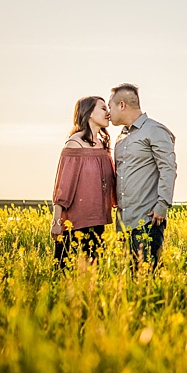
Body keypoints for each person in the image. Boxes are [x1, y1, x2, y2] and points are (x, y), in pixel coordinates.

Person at [108, 83, 177, 271]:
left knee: (148, 277)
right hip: (123, 222)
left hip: (147, 219)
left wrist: (163, 204)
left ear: (122, 105)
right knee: (128, 281)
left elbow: (168, 168)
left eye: (110, 106)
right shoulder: (121, 137)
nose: (108, 112)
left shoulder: (154, 130)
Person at [50, 96, 117, 270]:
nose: (108, 113)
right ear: (89, 113)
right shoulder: (74, 144)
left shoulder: (102, 144)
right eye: (103, 108)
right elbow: (63, 187)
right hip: (74, 223)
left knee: (92, 276)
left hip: (97, 222)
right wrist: (56, 222)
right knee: (63, 274)